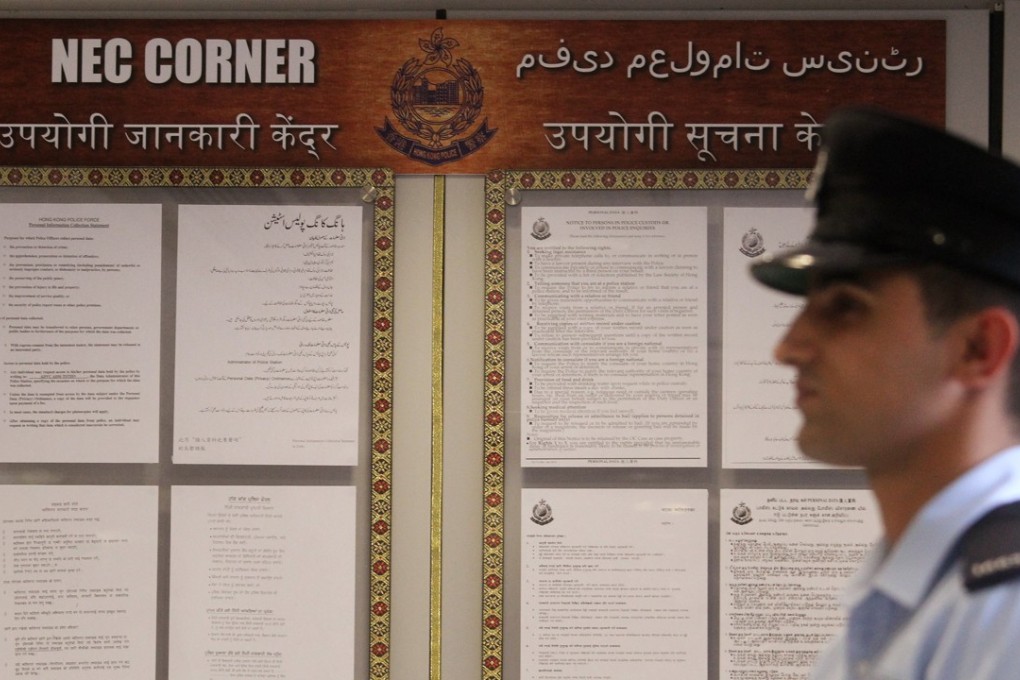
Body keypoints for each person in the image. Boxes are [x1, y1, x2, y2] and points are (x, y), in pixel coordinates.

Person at [750, 106, 1020, 680]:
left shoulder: (1005, 614)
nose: (788, 347)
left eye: (845, 308)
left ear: (978, 349)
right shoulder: (914, 597)